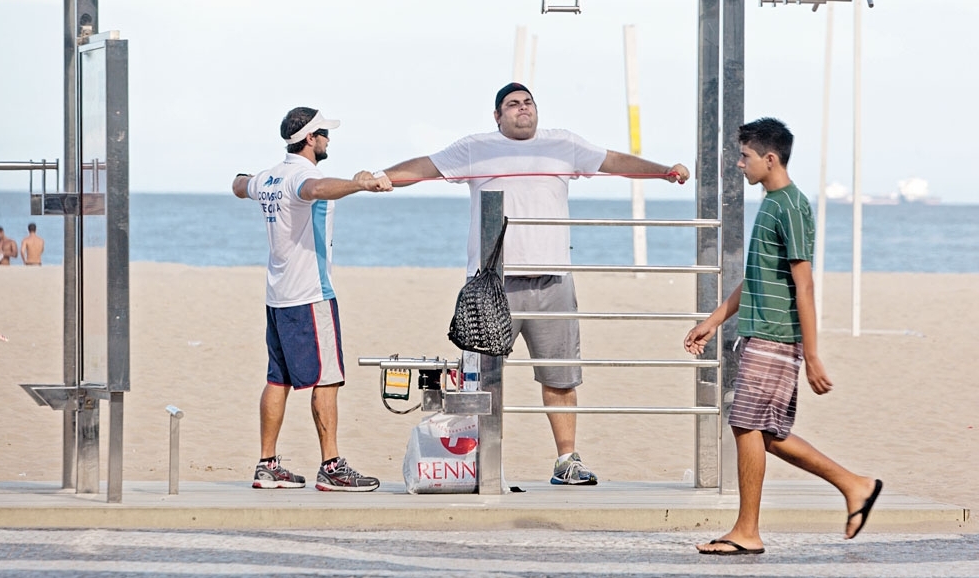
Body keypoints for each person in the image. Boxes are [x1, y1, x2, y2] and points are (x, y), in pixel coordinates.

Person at [370, 82, 690, 486]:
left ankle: (567, 461)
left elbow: (612, 161)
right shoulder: (476, 147)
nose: (522, 109)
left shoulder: (563, 144)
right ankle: (478, 463)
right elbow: (426, 167)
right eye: (512, 104)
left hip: (552, 282)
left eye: (528, 102)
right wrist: (380, 177)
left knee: (560, 377)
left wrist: (662, 171)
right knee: (480, 379)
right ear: (497, 116)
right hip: (493, 285)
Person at [683, 117, 882, 555]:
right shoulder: (772, 203)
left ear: (770, 159)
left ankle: (747, 531)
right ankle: (855, 485)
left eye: (745, 156)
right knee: (766, 434)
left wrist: (812, 355)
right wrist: (713, 321)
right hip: (761, 332)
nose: (740, 164)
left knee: (746, 426)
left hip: (776, 336)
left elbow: (804, 285)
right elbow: (757, 278)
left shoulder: (790, 206)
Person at [232, 106, 392, 491]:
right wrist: (359, 185)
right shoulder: (304, 176)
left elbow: (239, 185)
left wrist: (246, 180)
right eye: (324, 134)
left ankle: (267, 465)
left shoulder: (269, 177)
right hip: (310, 295)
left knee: (278, 379)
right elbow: (315, 190)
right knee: (327, 379)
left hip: (277, 296)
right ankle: (332, 466)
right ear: (309, 138)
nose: (328, 139)